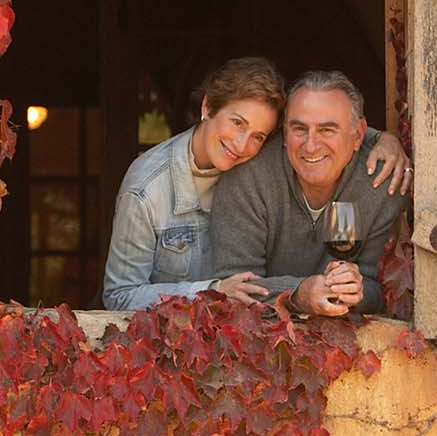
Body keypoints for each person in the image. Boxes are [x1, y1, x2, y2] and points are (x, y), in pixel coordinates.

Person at [98, 59, 410, 311]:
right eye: (237, 123)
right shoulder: (147, 189)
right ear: (207, 108)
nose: (241, 143)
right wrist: (214, 290)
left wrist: (385, 139)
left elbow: (326, 130)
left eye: (259, 136)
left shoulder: (257, 159)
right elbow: (120, 295)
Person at [207, 71, 409, 317]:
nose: (311, 145)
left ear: (357, 135)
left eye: (327, 130)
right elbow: (235, 289)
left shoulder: (380, 183)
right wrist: (297, 295)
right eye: (300, 129)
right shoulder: (248, 178)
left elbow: (381, 292)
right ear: (284, 132)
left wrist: (356, 292)